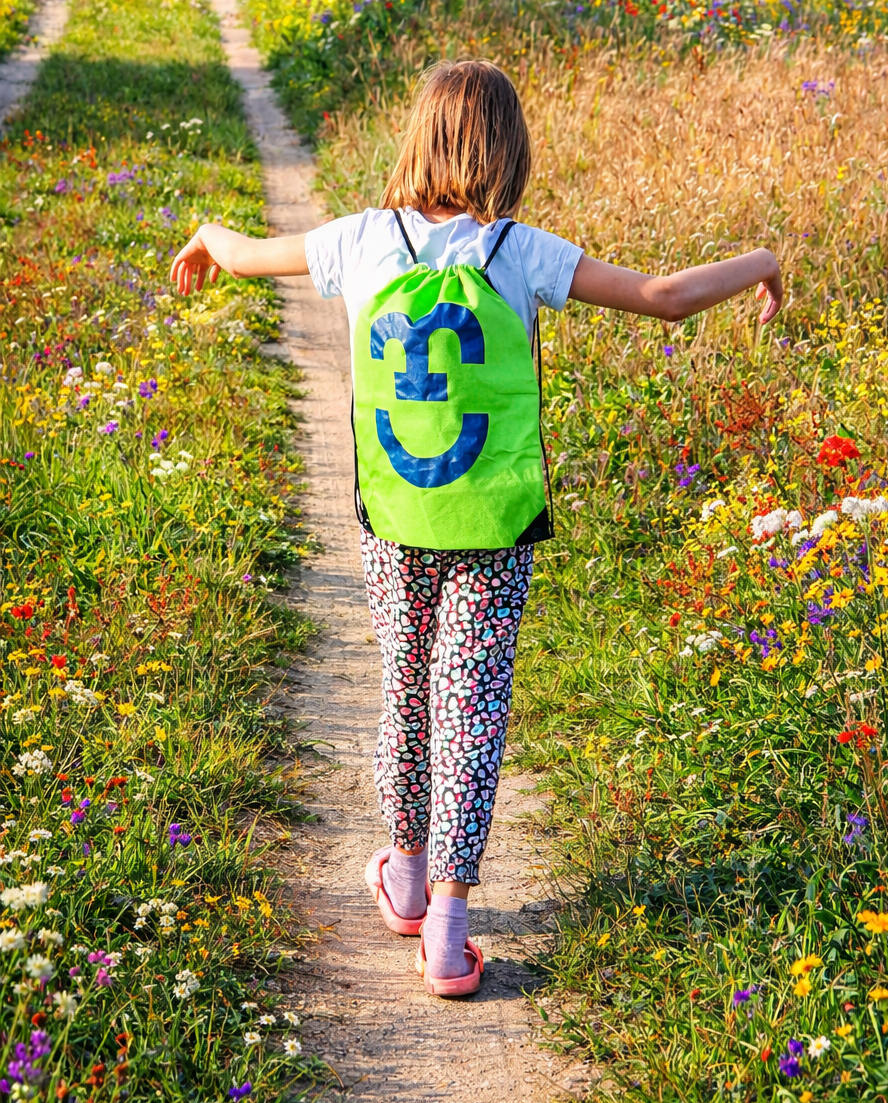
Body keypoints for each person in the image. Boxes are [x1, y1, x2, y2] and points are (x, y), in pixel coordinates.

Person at [170, 58, 783, 998]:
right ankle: (449, 938)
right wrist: (762, 261)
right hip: (494, 521)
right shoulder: (520, 252)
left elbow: (248, 253)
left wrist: (207, 237)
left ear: (417, 140)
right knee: (474, 706)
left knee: (407, 689)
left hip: (395, 517)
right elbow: (663, 297)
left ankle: (405, 879)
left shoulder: (361, 239)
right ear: (510, 149)